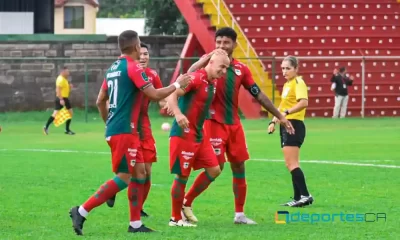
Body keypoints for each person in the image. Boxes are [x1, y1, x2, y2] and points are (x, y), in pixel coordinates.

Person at [68, 30, 191, 235]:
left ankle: (135, 224)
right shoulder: (133, 67)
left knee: (140, 173)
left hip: (120, 128)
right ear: (136, 47)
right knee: (124, 178)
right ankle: (81, 210)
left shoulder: (113, 68)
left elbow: (100, 100)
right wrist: (178, 84)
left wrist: (109, 121)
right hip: (125, 129)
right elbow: (153, 95)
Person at [183, 27, 294, 224]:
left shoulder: (241, 69)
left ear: (235, 45)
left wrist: (279, 116)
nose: (221, 46)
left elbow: (258, 93)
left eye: (226, 42)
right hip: (213, 123)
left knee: (239, 166)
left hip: (234, 124)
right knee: (215, 168)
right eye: (218, 42)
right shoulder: (208, 67)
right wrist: (204, 59)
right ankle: (186, 202)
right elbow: (187, 77)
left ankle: (239, 214)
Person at [167, 50, 230, 227]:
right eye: (221, 67)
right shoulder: (195, 79)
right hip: (183, 134)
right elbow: (171, 93)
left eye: (226, 67)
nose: (224, 71)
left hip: (198, 135)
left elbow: (195, 69)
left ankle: (186, 203)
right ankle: (175, 219)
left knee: (214, 169)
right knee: (182, 177)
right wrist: (178, 114)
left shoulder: (213, 81)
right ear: (210, 63)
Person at [106, 43, 165, 217]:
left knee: (146, 172)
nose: (144, 57)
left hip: (144, 128)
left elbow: (160, 97)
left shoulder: (153, 75)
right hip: (127, 126)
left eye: (147, 54)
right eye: (142, 53)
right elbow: (107, 99)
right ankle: (115, 193)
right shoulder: (128, 71)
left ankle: (138, 209)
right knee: (129, 171)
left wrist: (170, 106)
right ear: (136, 54)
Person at [268, 55, 313, 207]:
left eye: (288, 68)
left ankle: (306, 195)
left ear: (295, 69)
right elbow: (281, 106)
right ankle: (297, 197)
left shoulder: (298, 82)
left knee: (292, 163)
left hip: (294, 124)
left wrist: (286, 113)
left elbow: (304, 102)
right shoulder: (287, 85)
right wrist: (273, 121)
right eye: (282, 68)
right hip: (286, 124)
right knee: (291, 164)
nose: (284, 71)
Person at [43, 66, 75, 135]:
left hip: (64, 98)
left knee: (66, 113)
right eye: (67, 72)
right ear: (62, 72)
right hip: (62, 98)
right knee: (60, 114)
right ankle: (46, 127)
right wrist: (61, 99)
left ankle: (66, 129)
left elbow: (64, 89)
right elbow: (58, 90)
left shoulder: (64, 79)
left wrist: (69, 87)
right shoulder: (60, 79)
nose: (68, 73)